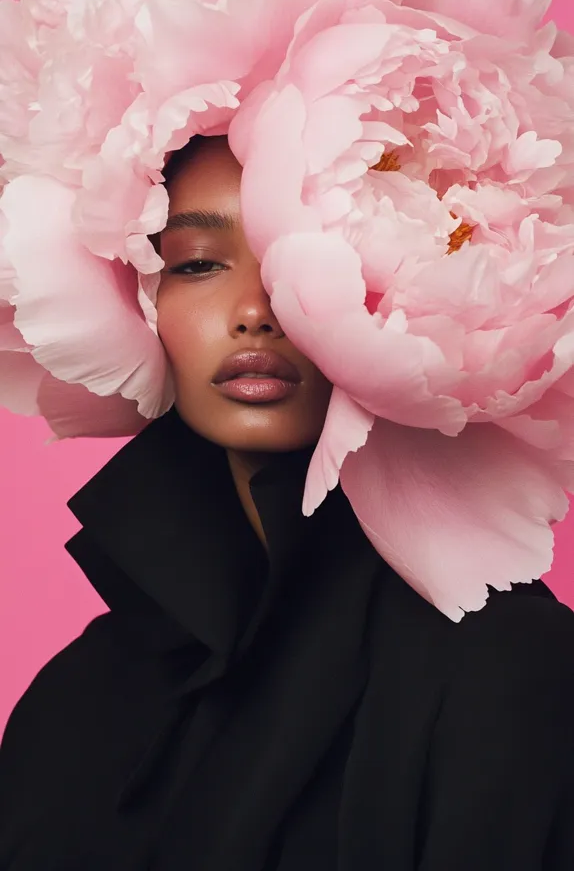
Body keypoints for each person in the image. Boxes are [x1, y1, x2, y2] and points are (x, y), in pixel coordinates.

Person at [1, 132, 574, 871]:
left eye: (311, 257)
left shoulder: (516, 672)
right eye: (198, 263)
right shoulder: (77, 698)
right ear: (138, 301)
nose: (254, 311)